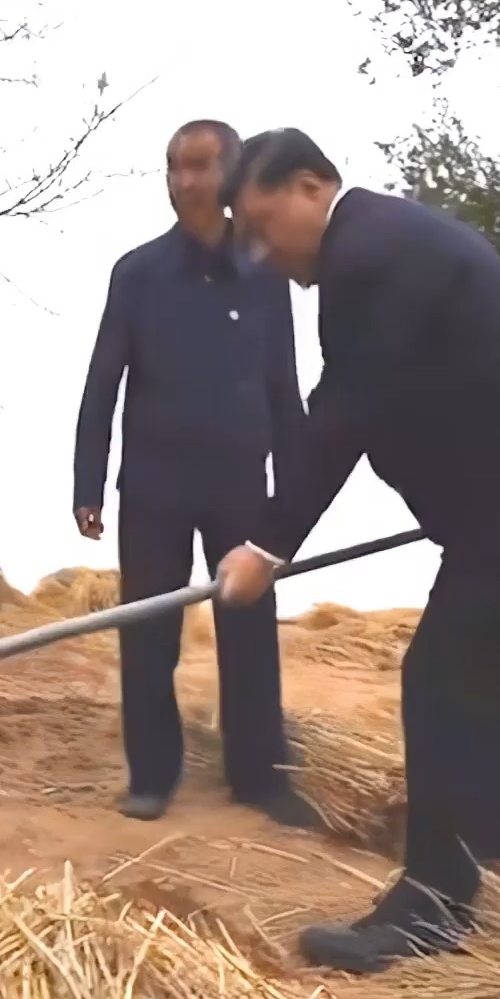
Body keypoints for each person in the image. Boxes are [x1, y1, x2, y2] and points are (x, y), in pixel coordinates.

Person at [216, 128, 500, 973]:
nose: (261, 252)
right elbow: (388, 398)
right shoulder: (391, 243)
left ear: (310, 185)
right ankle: (491, 894)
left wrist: (267, 543)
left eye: (263, 226)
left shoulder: (367, 253)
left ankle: (429, 909)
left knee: (443, 681)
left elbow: (348, 408)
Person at [73, 119, 314, 828]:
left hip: (241, 485)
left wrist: (295, 500)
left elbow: (284, 388)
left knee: (248, 630)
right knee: (149, 633)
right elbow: (102, 382)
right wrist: (89, 483)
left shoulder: (269, 275)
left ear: (235, 174)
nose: (184, 182)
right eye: (175, 167)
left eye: (201, 167)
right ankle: (152, 776)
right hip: (152, 485)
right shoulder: (138, 272)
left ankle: (260, 779)